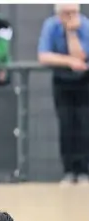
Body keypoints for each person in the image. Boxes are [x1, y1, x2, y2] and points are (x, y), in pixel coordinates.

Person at [37, 4, 89, 185]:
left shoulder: (85, 25)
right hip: (62, 81)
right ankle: (69, 170)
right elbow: (43, 56)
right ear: (58, 14)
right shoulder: (50, 26)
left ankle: (84, 171)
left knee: (84, 124)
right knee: (66, 124)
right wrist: (68, 61)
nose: (71, 17)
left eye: (74, 12)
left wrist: (72, 33)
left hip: (84, 82)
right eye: (66, 13)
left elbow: (81, 57)